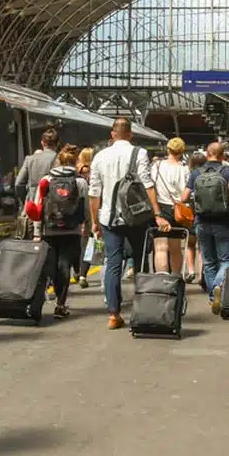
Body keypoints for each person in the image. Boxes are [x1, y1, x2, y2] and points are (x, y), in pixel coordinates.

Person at [88, 118, 168, 330]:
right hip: (137, 217)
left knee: (113, 264)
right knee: (141, 261)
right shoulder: (139, 153)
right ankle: (142, 309)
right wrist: (157, 213)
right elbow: (148, 184)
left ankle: (114, 314)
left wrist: (94, 221)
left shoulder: (99, 156)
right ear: (131, 134)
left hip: (108, 218)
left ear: (112, 134)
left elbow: (94, 193)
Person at [180, 141, 229, 314]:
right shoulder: (227, 171)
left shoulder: (196, 173)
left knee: (209, 262)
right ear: (222, 155)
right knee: (226, 260)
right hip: (223, 221)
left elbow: (183, 197)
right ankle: (219, 286)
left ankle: (213, 297)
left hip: (202, 222)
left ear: (207, 154)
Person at [25, 144, 88, 319]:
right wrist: (88, 228)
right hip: (72, 230)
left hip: (49, 230)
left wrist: (37, 232)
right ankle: (60, 304)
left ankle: (48, 295)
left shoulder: (46, 180)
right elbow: (87, 209)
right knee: (65, 264)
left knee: (52, 266)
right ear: (75, 162)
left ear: (58, 161)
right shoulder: (80, 182)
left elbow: (38, 207)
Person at [151, 137, 189, 275]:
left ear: (168, 149)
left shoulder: (157, 166)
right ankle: (176, 278)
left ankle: (161, 280)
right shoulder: (184, 168)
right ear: (182, 152)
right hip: (179, 209)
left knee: (160, 247)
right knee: (176, 248)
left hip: (161, 207)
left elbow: (152, 186)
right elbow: (187, 190)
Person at [16, 127, 60, 236]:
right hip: (53, 210)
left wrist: (26, 200)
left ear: (42, 143)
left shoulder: (30, 159)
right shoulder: (60, 159)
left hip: (32, 209)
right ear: (57, 143)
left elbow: (18, 183)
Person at [183, 149, 207, 285]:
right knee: (202, 246)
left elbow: (184, 197)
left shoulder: (192, 175)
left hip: (190, 213)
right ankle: (202, 272)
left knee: (190, 244)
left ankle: (191, 271)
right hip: (204, 212)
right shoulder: (208, 174)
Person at [75, 146, 95, 288]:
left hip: (75, 213)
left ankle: (76, 270)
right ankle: (82, 274)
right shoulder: (93, 173)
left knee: (76, 244)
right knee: (88, 245)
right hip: (89, 212)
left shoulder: (76, 172)